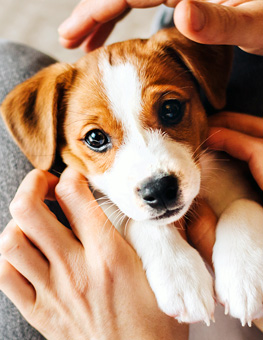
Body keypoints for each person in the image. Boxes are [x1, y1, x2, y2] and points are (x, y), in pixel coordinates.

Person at [0, 1, 263, 339]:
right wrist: (150, 236)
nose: (152, 176)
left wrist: (244, 218)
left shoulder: (228, 173)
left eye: (169, 111)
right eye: (96, 138)